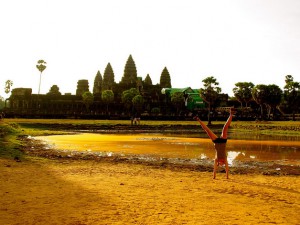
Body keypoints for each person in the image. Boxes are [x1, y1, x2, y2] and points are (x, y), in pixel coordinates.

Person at [194, 108, 235, 179]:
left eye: (221, 164)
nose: (222, 164)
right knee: (225, 128)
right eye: (223, 164)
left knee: (207, 130)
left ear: (219, 164)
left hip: (216, 142)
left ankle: (199, 120)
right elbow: (227, 169)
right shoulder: (225, 158)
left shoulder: (217, 159)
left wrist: (214, 177)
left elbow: (215, 169)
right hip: (223, 141)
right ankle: (231, 114)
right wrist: (227, 177)